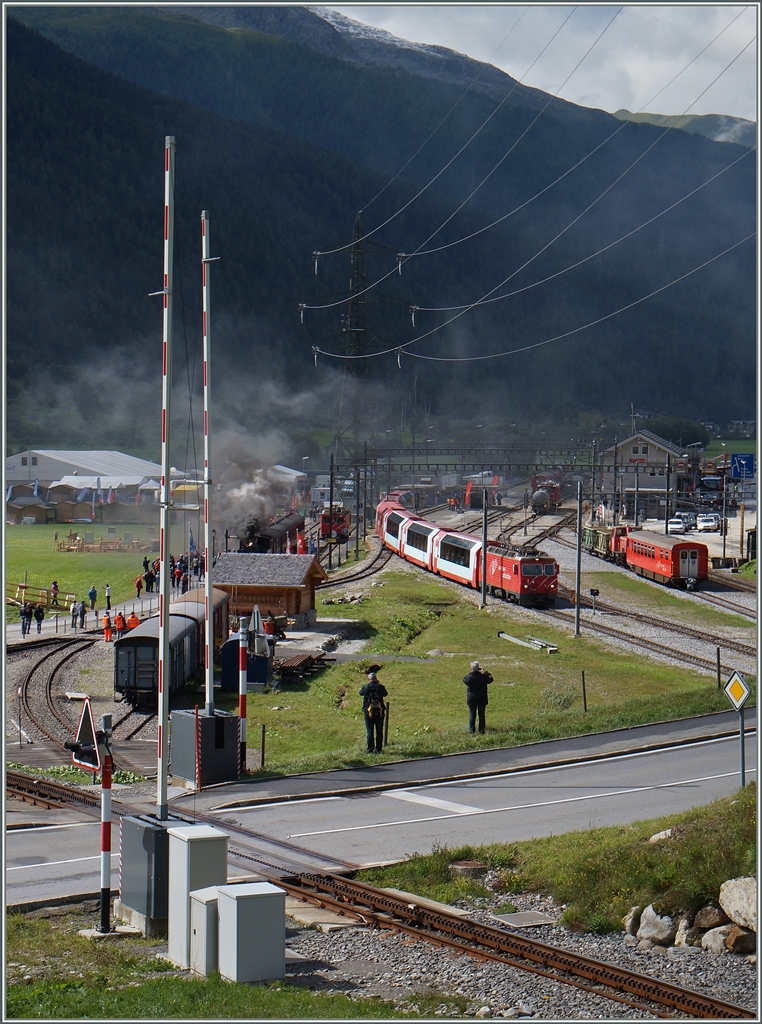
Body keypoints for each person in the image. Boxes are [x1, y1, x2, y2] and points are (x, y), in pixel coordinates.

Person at [359, 671, 388, 754]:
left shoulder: (366, 687)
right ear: (376, 679)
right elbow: (385, 694)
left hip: (368, 712)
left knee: (370, 730)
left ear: (369, 679)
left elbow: (360, 693)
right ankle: (378, 749)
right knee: (379, 730)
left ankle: (370, 749)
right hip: (379, 712)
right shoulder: (380, 687)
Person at [463, 660, 493, 735]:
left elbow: (465, 679)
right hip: (481, 698)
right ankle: (481, 730)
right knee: (481, 715)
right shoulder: (483, 677)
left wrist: (472, 671)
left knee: (472, 714)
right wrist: (485, 672)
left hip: (472, 698)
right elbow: (490, 679)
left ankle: (472, 730)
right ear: (478, 668)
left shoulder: (469, 678)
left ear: (471, 668)